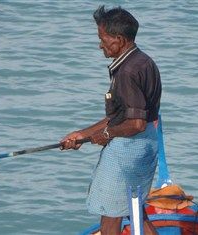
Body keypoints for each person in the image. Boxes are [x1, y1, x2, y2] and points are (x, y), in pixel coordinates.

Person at [60, 5, 161, 235]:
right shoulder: (144, 61)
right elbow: (121, 116)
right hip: (147, 144)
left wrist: (105, 135)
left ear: (119, 39)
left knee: (110, 216)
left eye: (102, 38)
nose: (100, 45)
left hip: (128, 149)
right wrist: (82, 134)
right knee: (134, 211)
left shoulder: (126, 72)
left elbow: (134, 124)